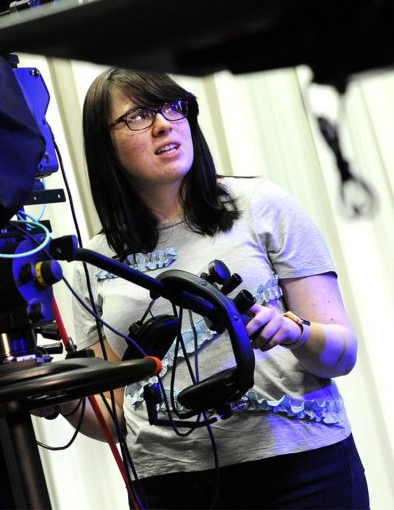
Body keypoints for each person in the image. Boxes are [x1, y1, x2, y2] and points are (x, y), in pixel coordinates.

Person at [40, 68, 369, 509]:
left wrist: (295, 332)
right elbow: (113, 417)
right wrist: (58, 397)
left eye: (173, 107)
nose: (164, 124)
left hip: (303, 469)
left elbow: (342, 354)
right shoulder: (92, 262)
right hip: (171, 485)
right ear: (105, 145)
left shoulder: (261, 206)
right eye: (138, 116)